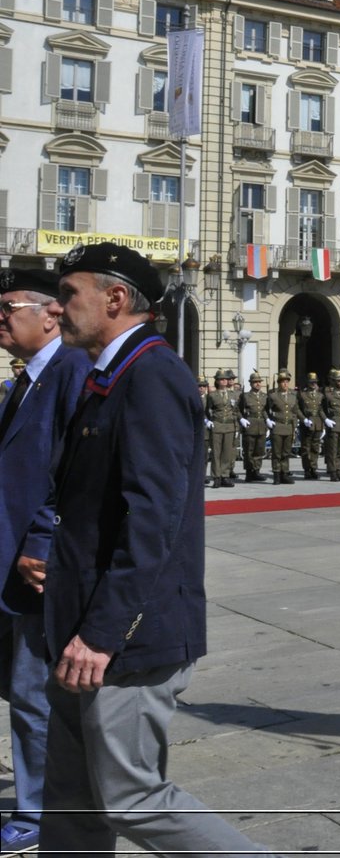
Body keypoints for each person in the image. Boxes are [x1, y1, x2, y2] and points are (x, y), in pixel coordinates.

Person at [39, 242, 271, 855]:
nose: (57, 309)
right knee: (70, 796)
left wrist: (105, 632)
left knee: (129, 797)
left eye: (68, 295)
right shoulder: (108, 376)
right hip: (78, 626)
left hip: (121, 639)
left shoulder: (152, 374)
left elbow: (153, 519)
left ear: (115, 299)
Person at [0, 268, 92, 853]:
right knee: (22, 689)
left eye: (8, 307)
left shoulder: (69, 372)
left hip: (38, 568)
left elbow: (71, 473)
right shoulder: (27, 379)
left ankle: (38, 814)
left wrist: (41, 543)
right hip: (13, 561)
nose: (0, 319)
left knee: (34, 694)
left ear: (49, 313)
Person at [204, 369, 238, 488]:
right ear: (217, 381)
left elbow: (236, 411)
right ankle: (216, 477)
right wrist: (208, 421)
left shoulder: (233, 395)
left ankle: (225, 476)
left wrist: (237, 424)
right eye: (221, 379)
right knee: (216, 453)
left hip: (229, 426)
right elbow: (208, 410)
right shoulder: (212, 395)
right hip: (217, 425)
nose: (224, 381)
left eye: (225, 379)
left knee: (227, 453)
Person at [266, 370, 299, 485]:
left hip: (288, 426)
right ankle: (276, 474)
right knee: (277, 453)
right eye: (283, 382)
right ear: (279, 383)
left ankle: (284, 473)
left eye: (287, 382)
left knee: (286, 452)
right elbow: (266, 410)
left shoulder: (293, 396)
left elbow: (295, 411)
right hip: (278, 426)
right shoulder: (273, 396)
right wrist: (268, 420)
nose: (285, 384)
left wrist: (295, 425)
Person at [239, 372, 270, 482]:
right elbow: (238, 410)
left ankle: (256, 471)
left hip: (261, 424)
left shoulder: (264, 396)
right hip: (250, 424)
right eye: (255, 382)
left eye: (259, 382)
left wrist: (267, 421)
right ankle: (249, 472)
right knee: (249, 450)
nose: (257, 384)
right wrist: (242, 420)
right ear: (251, 383)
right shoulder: (245, 396)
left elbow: (266, 411)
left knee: (259, 449)